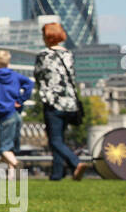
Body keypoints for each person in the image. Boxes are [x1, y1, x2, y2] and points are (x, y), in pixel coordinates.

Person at [33, 22, 88, 180]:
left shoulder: (43, 55)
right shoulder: (68, 54)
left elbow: (38, 76)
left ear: (46, 36)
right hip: (70, 102)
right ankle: (57, 174)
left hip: (53, 101)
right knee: (60, 138)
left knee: (54, 139)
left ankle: (75, 163)